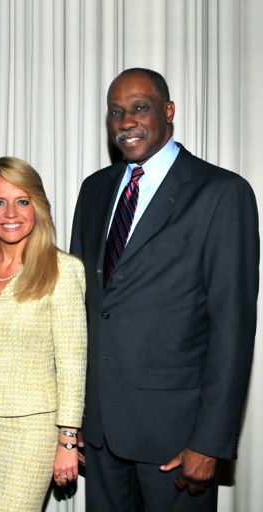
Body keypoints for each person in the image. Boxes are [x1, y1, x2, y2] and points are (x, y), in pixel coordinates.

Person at [70, 68, 259, 511]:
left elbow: (232, 327)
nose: (125, 122)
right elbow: (81, 311)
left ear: (168, 111)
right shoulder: (94, 191)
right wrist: (73, 417)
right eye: (116, 112)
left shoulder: (221, 193)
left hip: (175, 439)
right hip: (99, 435)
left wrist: (210, 442)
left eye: (140, 108)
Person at [0, 156, 87, 512]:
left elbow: (72, 361)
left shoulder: (63, 270)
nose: (11, 212)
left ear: (37, 206)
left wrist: (67, 440)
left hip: (29, 435)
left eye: (22, 201)